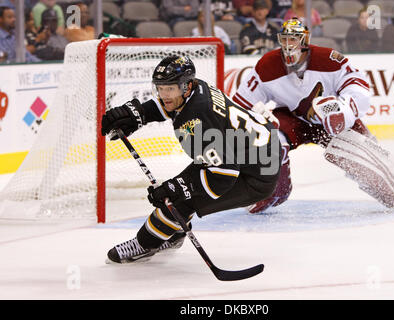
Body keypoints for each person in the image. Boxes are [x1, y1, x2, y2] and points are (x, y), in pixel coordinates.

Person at [232, 17, 394, 214]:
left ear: (305, 41)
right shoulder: (267, 65)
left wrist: (344, 109)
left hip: (330, 121)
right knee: (270, 137)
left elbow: (358, 85)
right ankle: (271, 191)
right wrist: (253, 117)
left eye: (293, 39)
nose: (288, 44)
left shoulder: (328, 59)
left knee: (359, 155)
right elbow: (240, 103)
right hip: (293, 119)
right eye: (284, 39)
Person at [101, 55, 281, 263]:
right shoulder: (197, 88)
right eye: (160, 88)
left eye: (170, 89)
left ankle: (144, 244)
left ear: (186, 87)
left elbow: (224, 175)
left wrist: (177, 188)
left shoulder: (196, 121)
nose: (164, 95)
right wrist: (138, 113)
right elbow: (169, 106)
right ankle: (174, 234)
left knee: (179, 200)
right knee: (181, 191)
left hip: (255, 176)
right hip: (257, 151)